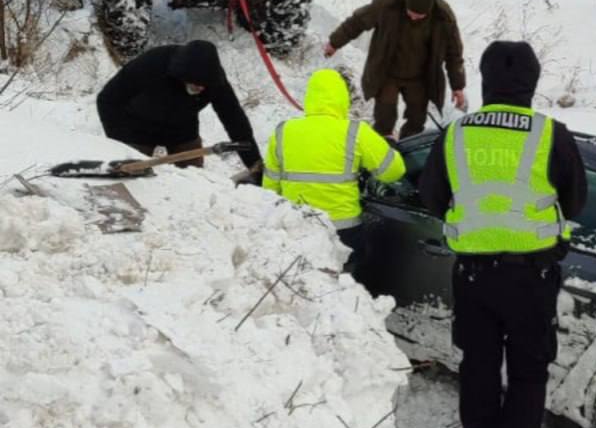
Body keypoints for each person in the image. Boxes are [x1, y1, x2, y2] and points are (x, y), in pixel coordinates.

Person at [419, 40, 588, 428]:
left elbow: (431, 196)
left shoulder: (456, 134)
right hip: (531, 276)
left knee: (479, 364)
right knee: (529, 372)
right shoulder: (550, 134)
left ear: (485, 79)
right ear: (532, 83)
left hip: (474, 274)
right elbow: (576, 201)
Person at [262, 68, 405, 265]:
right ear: (343, 98)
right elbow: (394, 172)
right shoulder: (356, 131)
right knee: (344, 279)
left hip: (297, 227)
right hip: (344, 230)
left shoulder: (283, 131)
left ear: (309, 97)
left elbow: (269, 188)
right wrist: (388, 146)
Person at [323, 0, 467, 140]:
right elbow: (357, 22)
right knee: (384, 116)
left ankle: (408, 147)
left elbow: (454, 53)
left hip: (420, 77)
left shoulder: (443, 18)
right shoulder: (387, 5)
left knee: (417, 119)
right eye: (410, 13)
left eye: (419, 16)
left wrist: (458, 86)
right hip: (387, 72)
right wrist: (334, 43)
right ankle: (383, 147)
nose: (413, 18)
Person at [96, 40, 262, 172]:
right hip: (137, 126)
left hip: (182, 129)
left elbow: (234, 119)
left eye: (204, 86)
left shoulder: (214, 79)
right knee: (133, 179)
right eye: (196, 84)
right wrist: (119, 143)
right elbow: (107, 100)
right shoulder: (151, 64)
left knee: (194, 178)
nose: (201, 88)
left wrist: (255, 167)